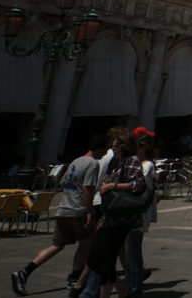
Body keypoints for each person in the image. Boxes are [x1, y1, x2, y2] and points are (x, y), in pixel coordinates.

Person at [11, 135, 106, 296]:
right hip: (78, 210)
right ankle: (75, 277)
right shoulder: (92, 164)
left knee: (57, 245)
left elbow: (64, 184)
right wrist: (90, 212)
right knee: (87, 244)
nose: (104, 155)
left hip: (64, 208)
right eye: (104, 151)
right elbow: (87, 189)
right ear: (100, 149)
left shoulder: (76, 161)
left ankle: (24, 272)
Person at [89, 128, 147, 298]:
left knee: (100, 260)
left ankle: (120, 291)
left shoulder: (132, 161)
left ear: (123, 146)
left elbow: (137, 185)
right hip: (111, 219)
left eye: (114, 146)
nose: (111, 149)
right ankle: (122, 291)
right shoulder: (119, 163)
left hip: (122, 220)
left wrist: (111, 186)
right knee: (99, 261)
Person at [124, 128, 158, 297]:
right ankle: (132, 283)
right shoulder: (136, 162)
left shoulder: (148, 166)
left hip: (138, 211)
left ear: (145, 147)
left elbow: (140, 188)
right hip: (132, 210)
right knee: (131, 250)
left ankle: (135, 287)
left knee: (133, 251)